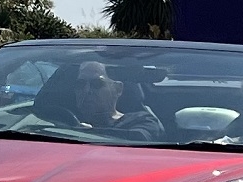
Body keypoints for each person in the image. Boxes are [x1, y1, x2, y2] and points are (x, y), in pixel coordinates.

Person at [31, 57, 165, 142]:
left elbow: (140, 139)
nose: (87, 91)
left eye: (97, 84)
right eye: (80, 84)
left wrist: (85, 133)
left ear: (118, 89)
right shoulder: (52, 119)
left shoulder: (142, 121)